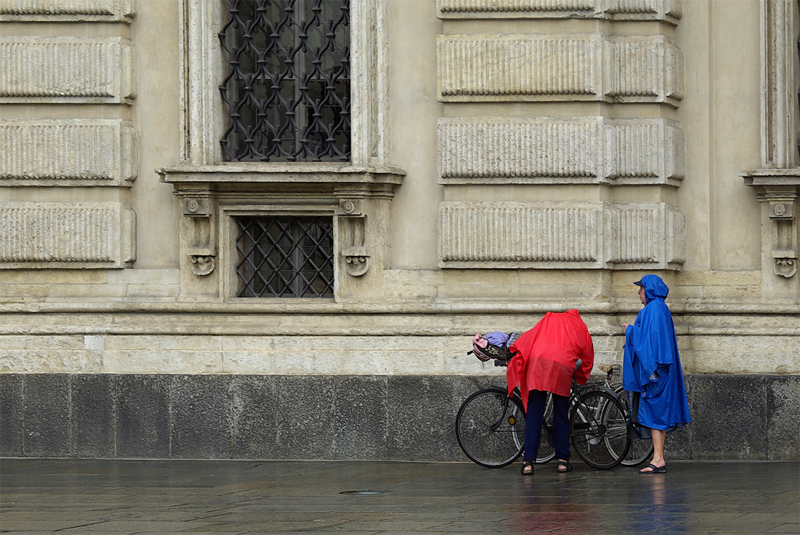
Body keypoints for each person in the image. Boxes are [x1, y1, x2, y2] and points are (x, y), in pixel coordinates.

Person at [506, 309, 594, 476]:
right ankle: (562, 461)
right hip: (562, 365)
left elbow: (528, 338)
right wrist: (581, 372)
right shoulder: (577, 324)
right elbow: (586, 350)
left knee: (534, 412)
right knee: (560, 411)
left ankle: (528, 462)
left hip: (538, 363)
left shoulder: (547, 319)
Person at [622, 274, 691, 474]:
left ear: (649, 289)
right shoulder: (661, 309)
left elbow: (648, 342)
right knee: (658, 414)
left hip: (655, 373)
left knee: (655, 412)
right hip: (661, 370)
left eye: (641, 288)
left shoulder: (652, 310)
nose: (638, 292)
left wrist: (630, 331)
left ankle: (658, 458)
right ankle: (658, 457)